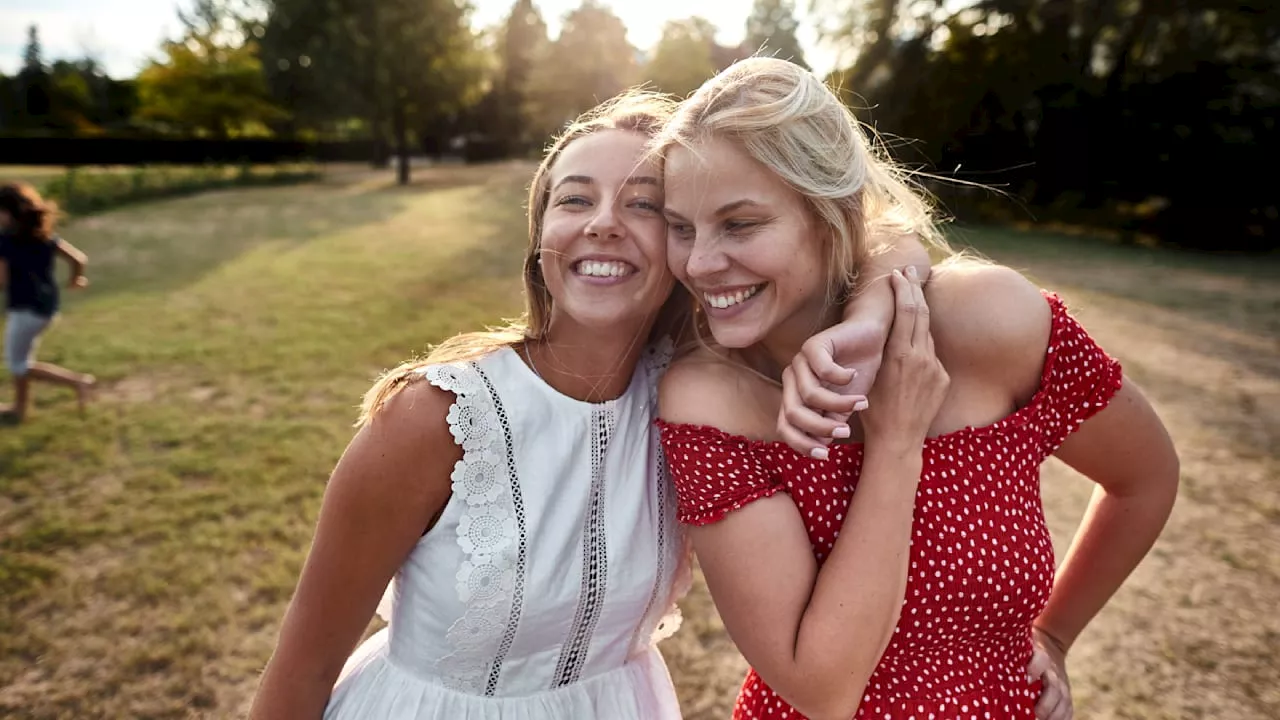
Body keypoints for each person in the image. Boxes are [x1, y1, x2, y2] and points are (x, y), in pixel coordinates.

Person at [249, 89, 930, 720]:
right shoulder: (435, 418)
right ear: (541, 235)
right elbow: (301, 672)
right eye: (575, 200)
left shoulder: (695, 395)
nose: (604, 224)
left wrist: (865, 321)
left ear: (686, 243)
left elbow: (890, 237)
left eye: (642, 205)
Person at [655, 57, 1180, 720]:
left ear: (830, 212)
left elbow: (1146, 477)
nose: (699, 264)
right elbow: (823, 689)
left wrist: (1053, 633)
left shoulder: (989, 321)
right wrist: (897, 443)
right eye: (681, 227)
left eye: (739, 224)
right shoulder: (708, 400)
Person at [0, 183, 95, 423]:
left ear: (8, 213)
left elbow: (2, 281)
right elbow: (79, 259)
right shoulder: (44, 236)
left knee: (18, 364)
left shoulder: (5, 242)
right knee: (21, 360)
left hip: (24, 311)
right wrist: (77, 279)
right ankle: (19, 409)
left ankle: (78, 382)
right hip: (46, 309)